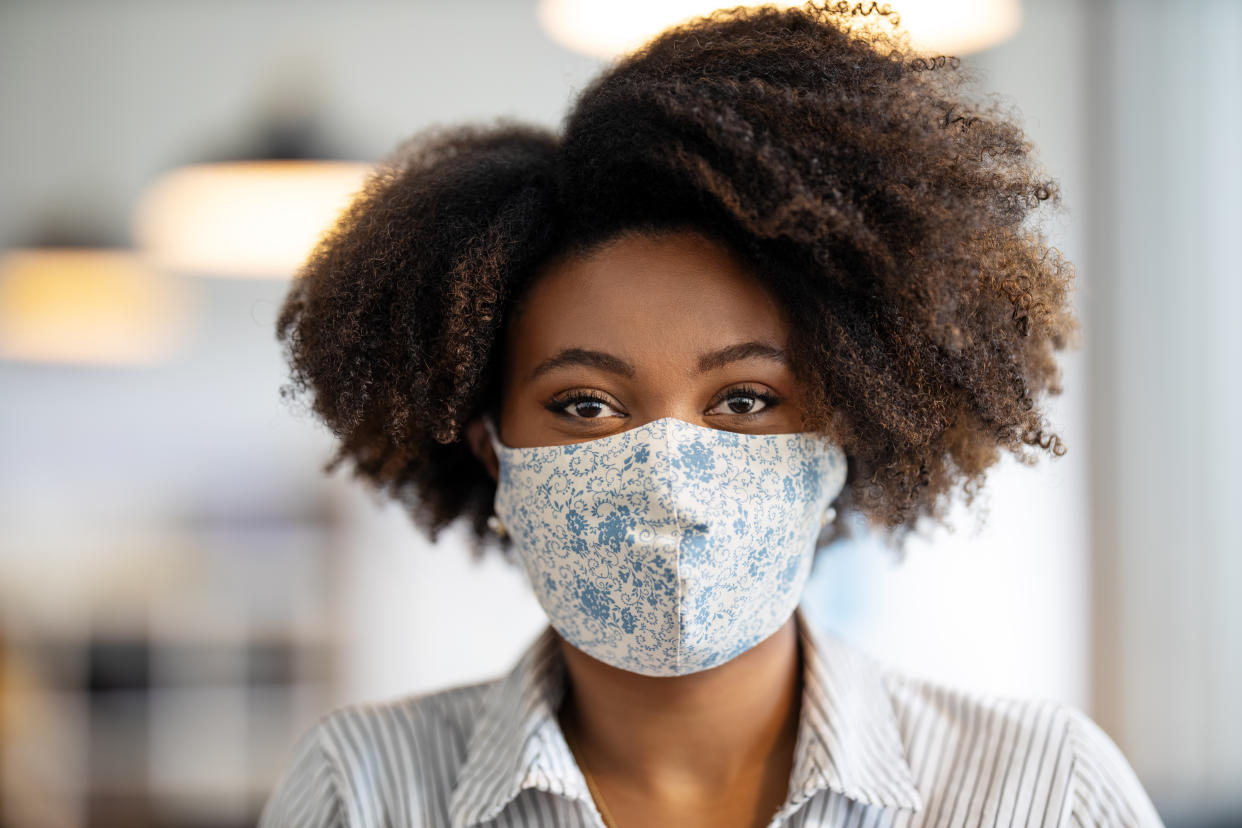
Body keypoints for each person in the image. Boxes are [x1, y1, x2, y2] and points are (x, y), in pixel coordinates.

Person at [258, 3, 1163, 826]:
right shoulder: (364, 790)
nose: (670, 475)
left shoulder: (1042, 791)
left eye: (744, 399)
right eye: (586, 404)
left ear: (843, 434)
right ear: (494, 451)